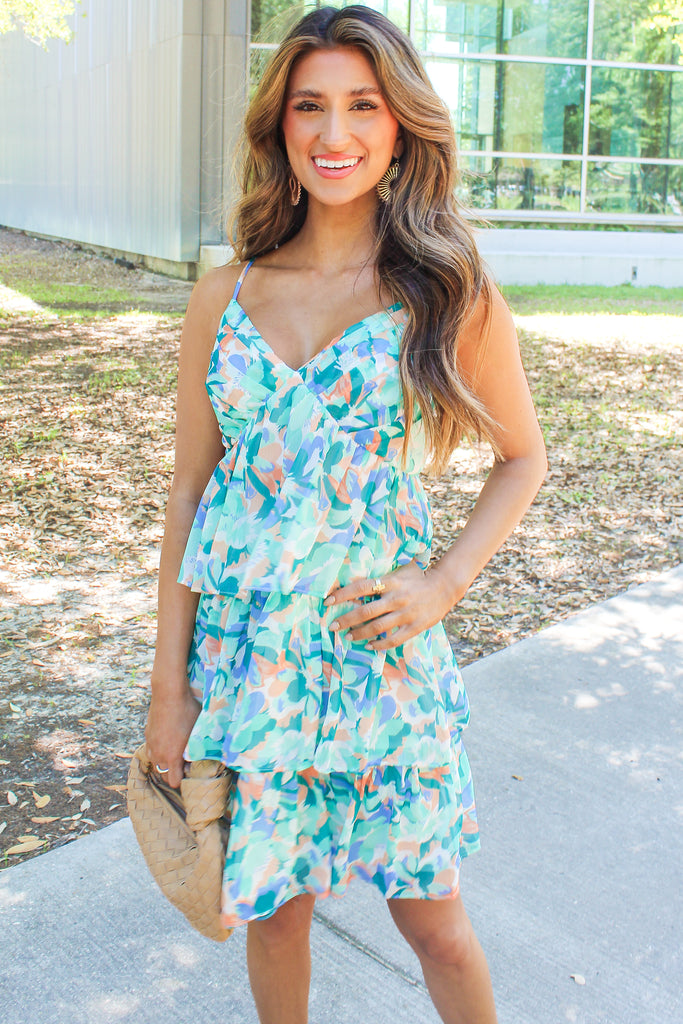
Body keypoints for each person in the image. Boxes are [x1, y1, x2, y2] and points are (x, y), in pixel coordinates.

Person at [144, 6, 547, 1023]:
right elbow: (191, 491)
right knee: (275, 916)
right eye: (308, 107)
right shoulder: (223, 293)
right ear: (277, 127)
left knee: (435, 925)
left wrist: (441, 582)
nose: (334, 136)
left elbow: (521, 457)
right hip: (249, 662)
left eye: (362, 107)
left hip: (383, 663)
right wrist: (166, 689)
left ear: (400, 124)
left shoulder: (445, 289)